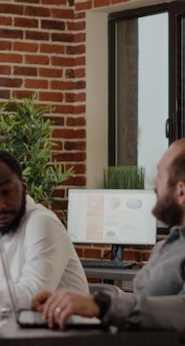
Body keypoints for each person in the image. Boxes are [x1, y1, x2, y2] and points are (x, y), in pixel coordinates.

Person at [32, 139, 185, 333]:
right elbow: (143, 304)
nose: (154, 183)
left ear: (181, 191)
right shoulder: (166, 246)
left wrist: (101, 305)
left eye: (160, 176)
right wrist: (65, 302)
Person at [0, 148, 88, 309]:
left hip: (69, 331)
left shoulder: (42, 222)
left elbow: (31, 296)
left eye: (6, 192)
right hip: (18, 330)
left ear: (23, 188)